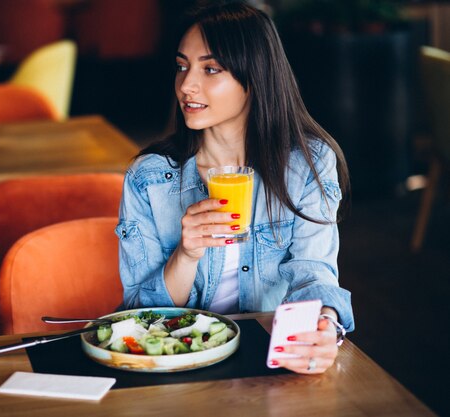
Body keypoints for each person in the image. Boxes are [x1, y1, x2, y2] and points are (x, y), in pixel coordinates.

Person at [115, 1, 354, 375]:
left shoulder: (307, 164)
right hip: (179, 363)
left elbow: (313, 271)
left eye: (211, 69)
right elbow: (137, 315)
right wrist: (187, 254)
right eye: (182, 66)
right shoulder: (150, 177)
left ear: (255, 77)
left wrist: (325, 327)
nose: (186, 85)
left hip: (269, 358)